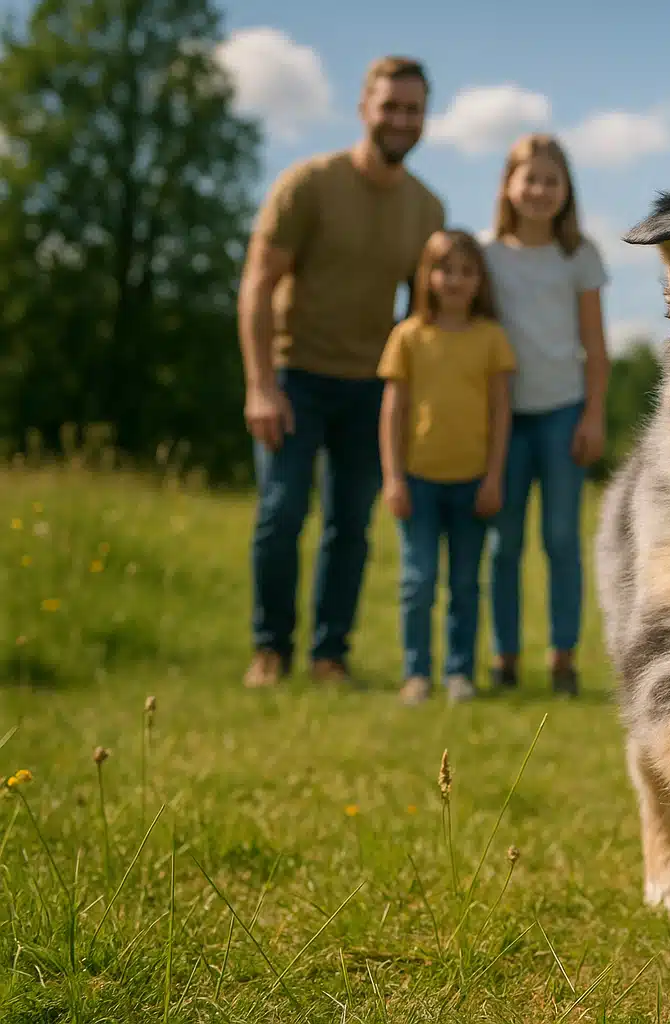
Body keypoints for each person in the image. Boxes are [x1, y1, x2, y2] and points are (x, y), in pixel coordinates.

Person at [238, 55, 447, 689]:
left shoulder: (426, 209)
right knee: (280, 514)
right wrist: (260, 386)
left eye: (412, 109)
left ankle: (330, 656)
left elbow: (421, 318)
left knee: (350, 526)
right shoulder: (308, 184)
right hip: (293, 376)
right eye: (389, 106)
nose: (400, 119)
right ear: (364, 108)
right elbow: (257, 284)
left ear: (424, 118)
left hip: (368, 387)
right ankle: (270, 650)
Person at [478, 133, 611, 697]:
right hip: (504, 420)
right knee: (503, 543)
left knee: (561, 539)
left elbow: (595, 345)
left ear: (565, 191)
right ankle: (504, 659)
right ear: (508, 186)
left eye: (550, 181)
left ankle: (563, 659)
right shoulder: (485, 255)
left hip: (562, 413)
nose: (538, 190)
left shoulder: (577, 255)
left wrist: (594, 415)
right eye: (528, 178)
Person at [378, 230, 516, 706]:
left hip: (473, 483)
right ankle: (416, 673)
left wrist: (495, 477)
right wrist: (393, 477)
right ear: (427, 277)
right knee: (417, 583)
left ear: (479, 280)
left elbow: (501, 413)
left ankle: (459, 672)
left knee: (463, 584)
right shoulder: (408, 336)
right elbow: (392, 412)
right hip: (417, 483)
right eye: (444, 269)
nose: (454, 280)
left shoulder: (491, 339)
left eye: (465, 271)